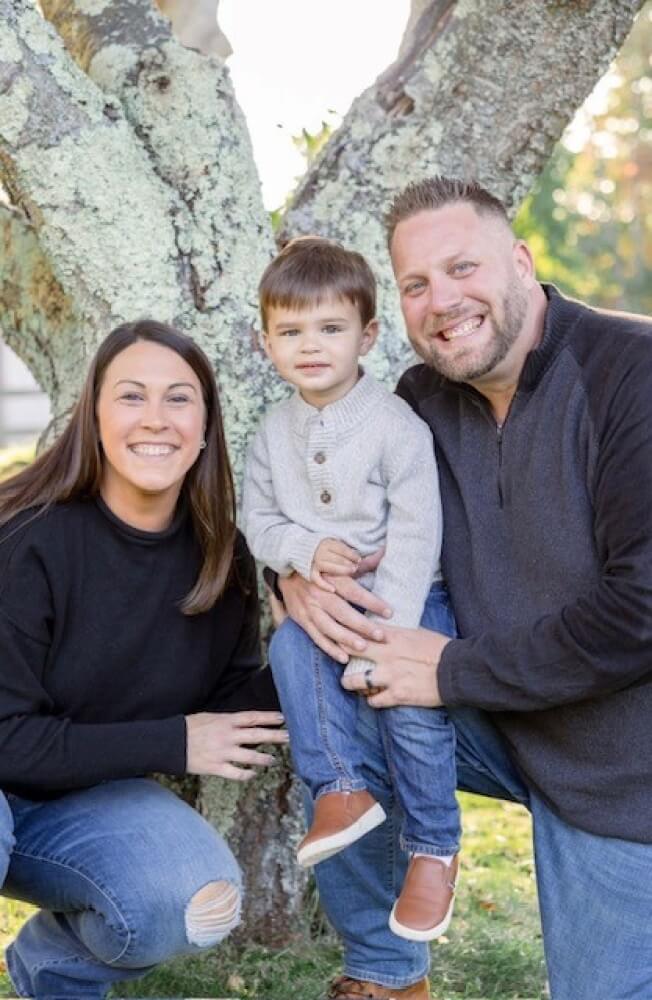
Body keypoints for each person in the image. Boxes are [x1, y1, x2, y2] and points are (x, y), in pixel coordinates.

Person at [271, 177, 652, 1000]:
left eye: (462, 268)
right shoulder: (417, 402)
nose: (442, 301)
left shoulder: (634, 375)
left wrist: (448, 672)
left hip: (627, 775)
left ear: (519, 262)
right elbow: (347, 528)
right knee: (320, 667)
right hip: (503, 723)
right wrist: (296, 583)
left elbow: (643, 613)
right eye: (416, 285)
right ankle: (387, 974)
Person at [0, 320, 287, 999]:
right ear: (93, 416)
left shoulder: (222, 559)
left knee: (192, 901)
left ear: (207, 424)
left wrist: (306, 642)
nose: (155, 419)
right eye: (131, 397)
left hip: (77, 800)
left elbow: (229, 703)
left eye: (179, 399)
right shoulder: (27, 542)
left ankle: (53, 972)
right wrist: (173, 740)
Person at [242, 236, 460, 943]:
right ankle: (340, 790)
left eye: (331, 328)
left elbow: (420, 529)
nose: (311, 346)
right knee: (289, 654)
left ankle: (434, 848)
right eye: (291, 331)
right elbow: (259, 518)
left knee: (406, 705)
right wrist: (301, 552)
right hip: (321, 603)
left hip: (406, 601)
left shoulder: (396, 424)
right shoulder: (271, 431)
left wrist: (386, 635)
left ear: (366, 335)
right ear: (265, 341)